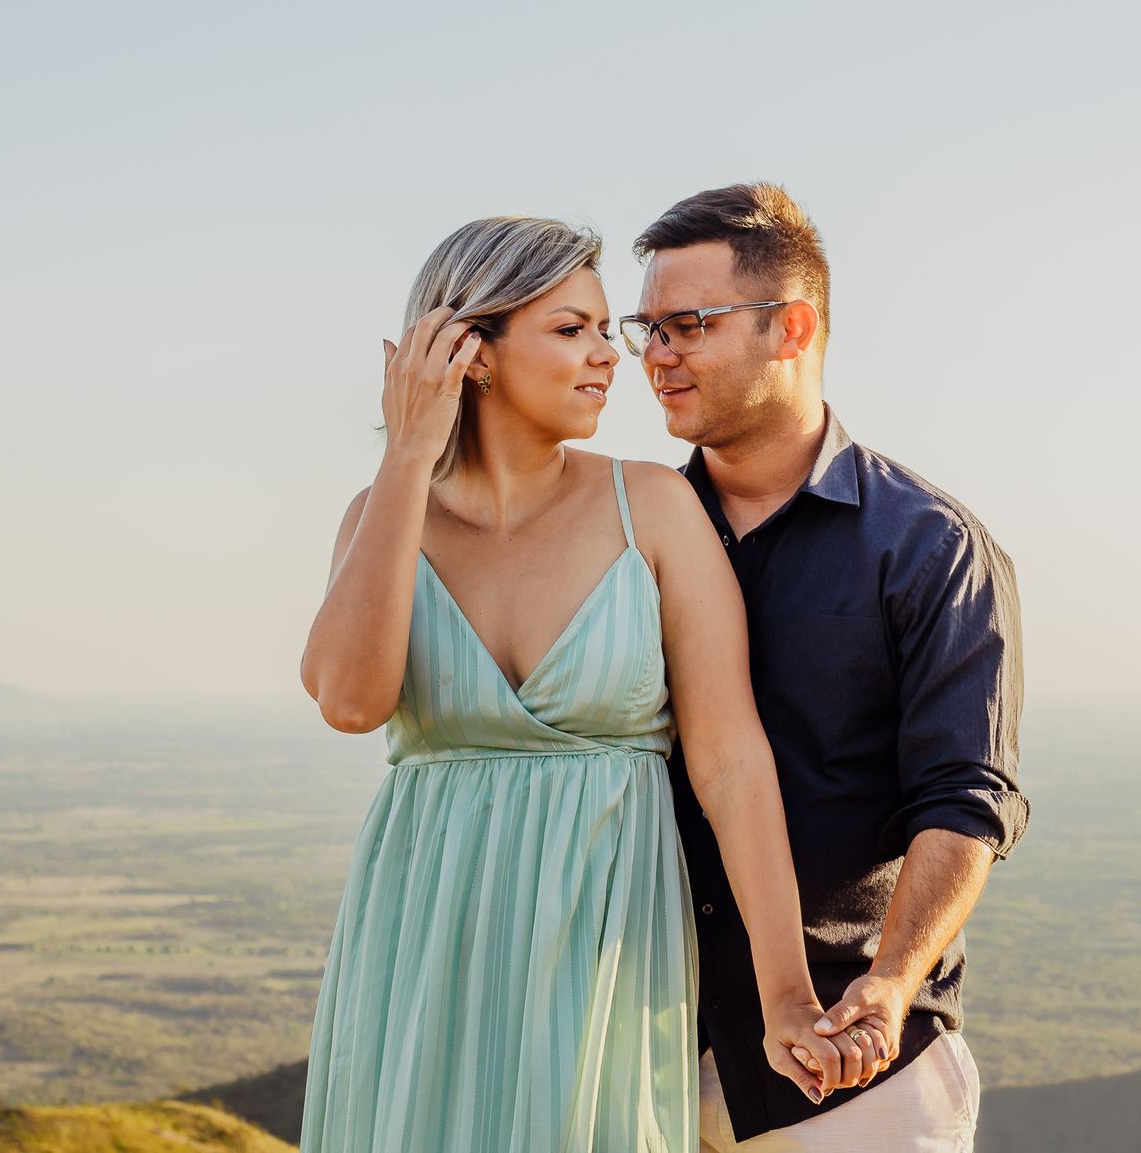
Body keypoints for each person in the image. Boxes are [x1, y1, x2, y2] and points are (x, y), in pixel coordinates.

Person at [297, 216, 840, 1153]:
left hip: (604, 945)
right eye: (571, 329)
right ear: (470, 352)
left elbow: (731, 763)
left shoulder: (653, 509)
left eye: (604, 329)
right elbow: (350, 701)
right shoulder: (384, 517)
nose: (611, 357)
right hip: (423, 939)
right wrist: (404, 459)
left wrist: (785, 990)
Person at [623, 184, 1029, 1151]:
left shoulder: (930, 547)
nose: (655, 355)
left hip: (854, 1073)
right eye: (646, 328)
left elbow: (967, 797)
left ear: (791, 327)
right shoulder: (626, 544)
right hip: (647, 1067)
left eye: (687, 324)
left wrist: (889, 984)